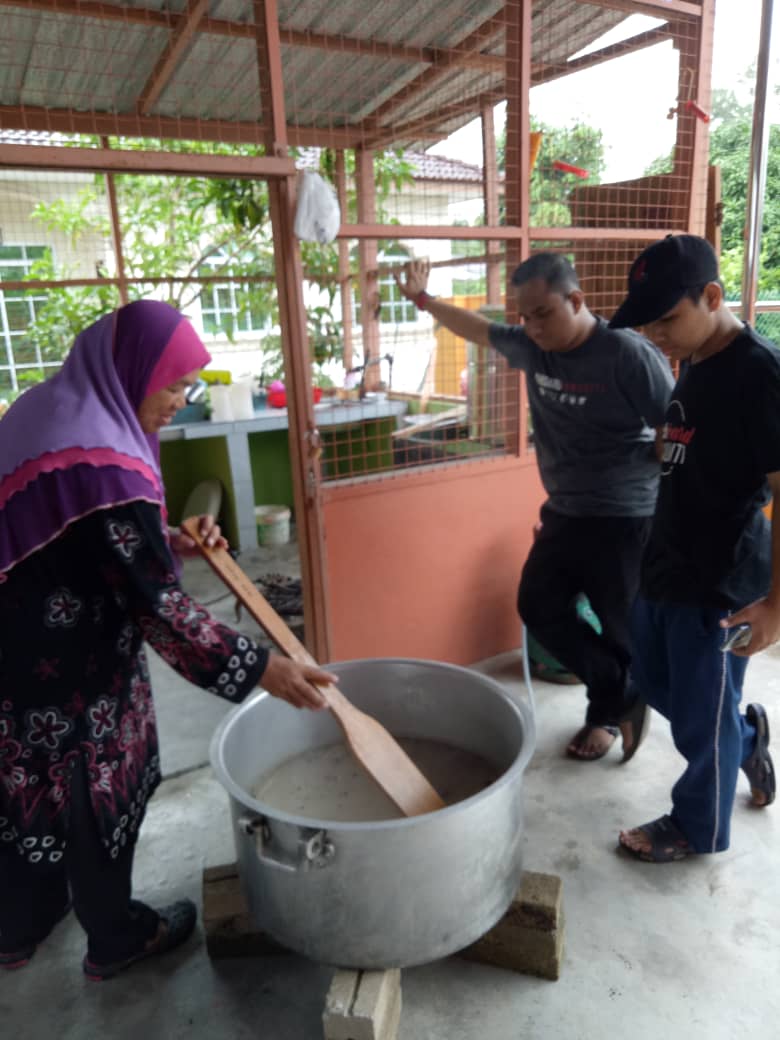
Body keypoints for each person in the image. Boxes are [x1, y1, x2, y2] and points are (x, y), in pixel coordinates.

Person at [0, 300, 337, 978]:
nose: (182, 402)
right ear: (133, 371)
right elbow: (159, 610)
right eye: (175, 385)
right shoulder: (105, 468)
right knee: (95, 795)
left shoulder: (48, 410)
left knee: (24, 793)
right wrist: (260, 667)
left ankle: (17, 929)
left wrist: (165, 540)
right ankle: (117, 938)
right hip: (76, 673)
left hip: (14, 657)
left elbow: (75, 534)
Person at [395, 254, 673, 761]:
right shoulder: (531, 347)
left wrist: (662, 476)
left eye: (543, 313)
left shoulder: (626, 354)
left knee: (620, 627)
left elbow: (674, 425)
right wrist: (423, 299)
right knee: (538, 606)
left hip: (626, 517)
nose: (533, 327)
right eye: (525, 316)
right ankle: (621, 693)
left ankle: (606, 714)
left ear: (576, 300)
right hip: (565, 511)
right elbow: (477, 329)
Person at [608, 234, 778, 862]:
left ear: (712, 295)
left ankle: (695, 827)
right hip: (666, 563)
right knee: (660, 687)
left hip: (720, 581)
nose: (656, 335)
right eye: (647, 323)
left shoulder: (761, 372)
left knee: (702, 720)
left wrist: (776, 606)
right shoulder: (695, 359)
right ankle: (747, 737)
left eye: (667, 319)